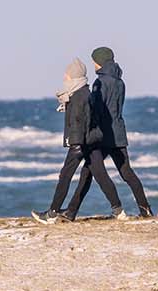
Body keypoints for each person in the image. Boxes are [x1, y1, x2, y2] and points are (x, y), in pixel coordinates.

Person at [31, 58, 126, 223]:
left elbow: (78, 122)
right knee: (101, 176)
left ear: (73, 76)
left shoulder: (78, 96)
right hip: (91, 141)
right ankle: (119, 211)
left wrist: (74, 144)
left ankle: (52, 214)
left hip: (80, 143)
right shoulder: (82, 92)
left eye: (67, 74)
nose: (64, 76)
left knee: (65, 176)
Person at [65, 46, 154, 219]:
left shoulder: (100, 82)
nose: (94, 66)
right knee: (127, 173)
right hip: (119, 133)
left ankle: (72, 212)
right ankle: (145, 210)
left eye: (94, 62)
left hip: (104, 135)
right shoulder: (120, 81)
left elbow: (98, 110)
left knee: (87, 172)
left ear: (99, 62)